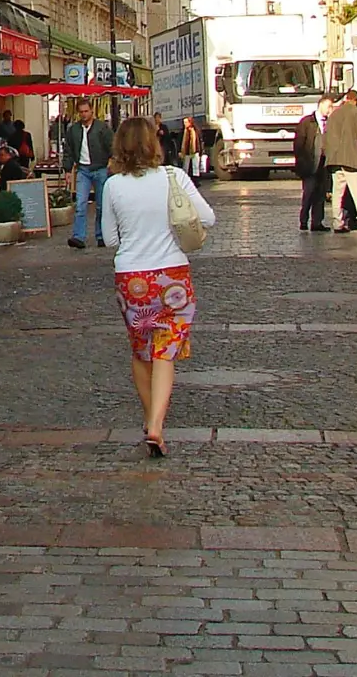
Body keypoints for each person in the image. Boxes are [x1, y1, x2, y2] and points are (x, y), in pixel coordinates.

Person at [101, 117, 216, 458]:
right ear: (154, 143)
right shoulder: (173, 177)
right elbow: (207, 218)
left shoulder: (113, 186)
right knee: (165, 351)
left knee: (141, 351)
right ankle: (155, 426)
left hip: (132, 277)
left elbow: (109, 239)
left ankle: (153, 423)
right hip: (172, 276)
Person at [62, 99, 113, 250]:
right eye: (81, 112)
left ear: (91, 111)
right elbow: (69, 151)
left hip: (100, 168)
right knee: (80, 204)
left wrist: (111, 161)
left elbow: (111, 145)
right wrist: (67, 170)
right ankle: (79, 236)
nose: (84, 114)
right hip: (83, 169)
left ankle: (101, 235)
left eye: (86, 111)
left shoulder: (102, 128)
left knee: (101, 205)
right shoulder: (74, 130)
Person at [323, 91, 357, 232]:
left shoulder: (334, 114)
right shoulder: (356, 113)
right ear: (356, 100)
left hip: (334, 159)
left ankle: (337, 223)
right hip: (351, 159)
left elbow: (326, 136)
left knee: (338, 194)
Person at [293, 96, 333, 231]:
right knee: (308, 194)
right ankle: (303, 220)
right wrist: (302, 163)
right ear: (320, 106)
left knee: (320, 194)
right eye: (329, 107)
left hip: (324, 164)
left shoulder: (330, 122)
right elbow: (299, 144)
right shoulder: (307, 122)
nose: (330, 110)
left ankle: (317, 222)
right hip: (310, 164)